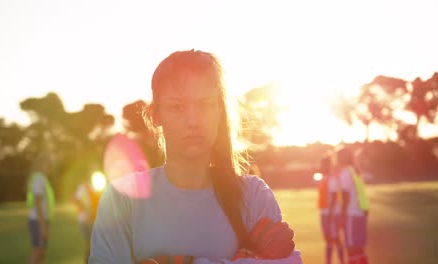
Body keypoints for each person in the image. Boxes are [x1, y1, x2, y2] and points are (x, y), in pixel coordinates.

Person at [89, 50, 302, 263]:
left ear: (220, 111)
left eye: (205, 105)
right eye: (177, 107)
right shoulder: (122, 200)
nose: (193, 120)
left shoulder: (254, 196)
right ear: (156, 116)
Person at [337, 148, 370, 264]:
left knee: (351, 250)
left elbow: (346, 196)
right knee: (360, 249)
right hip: (360, 213)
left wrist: (342, 216)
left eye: (338, 157)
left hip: (351, 214)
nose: (337, 160)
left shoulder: (345, 172)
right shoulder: (355, 171)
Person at [26, 152, 55, 264]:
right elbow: (37, 204)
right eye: (49, 164)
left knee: (41, 252)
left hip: (40, 220)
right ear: (43, 164)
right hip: (38, 221)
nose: (50, 167)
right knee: (38, 251)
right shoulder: (39, 179)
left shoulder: (41, 178)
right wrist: (42, 227)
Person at [318, 155, 344, 264]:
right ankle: (328, 261)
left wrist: (330, 214)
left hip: (331, 214)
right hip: (325, 212)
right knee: (328, 239)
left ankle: (342, 261)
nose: (320, 167)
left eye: (322, 165)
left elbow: (333, 197)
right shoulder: (324, 178)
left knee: (335, 238)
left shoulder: (332, 178)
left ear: (328, 166)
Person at [74, 176, 102, 264]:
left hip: (91, 219)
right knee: (89, 245)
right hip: (85, 220)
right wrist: (86, 209)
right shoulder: (82, 188)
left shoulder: (91, 187)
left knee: (93, 244)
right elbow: (77, 200)